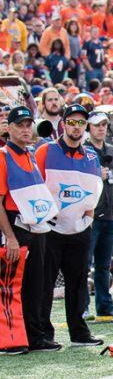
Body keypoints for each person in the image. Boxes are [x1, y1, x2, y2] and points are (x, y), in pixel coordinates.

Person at [34, 104, 103, 347]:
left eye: (81, 123)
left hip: (80, 229)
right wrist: (44, 217)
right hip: (51, 230)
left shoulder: (92, 155)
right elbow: (35, 185)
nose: (76, 127)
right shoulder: (45, 151)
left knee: (78, 283)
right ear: (63, 123)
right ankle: (43, 333)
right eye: (71, 122)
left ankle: (79, 333)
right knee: (45, 283)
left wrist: (88, 217)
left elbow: (95, 190)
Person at [0, 106, 58, 354]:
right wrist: (10, 237)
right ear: (9, 128)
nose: (25, 129)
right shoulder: (3, 157)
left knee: (36, 284)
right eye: (20, 125)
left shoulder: (31, 154)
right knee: (12, 286)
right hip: (16, 226)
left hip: (36, 226)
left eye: (28, 125)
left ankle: (35, 337)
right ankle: (11, 339)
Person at [84, 111, 113, 319]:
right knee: (84, 264)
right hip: (90, 215)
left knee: (103, 264)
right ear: (89, 128)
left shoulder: (111, 151)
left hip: (110, 214)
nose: (101, 128)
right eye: (97, 125)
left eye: (104, 124)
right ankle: (81, 307)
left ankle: (105, 305)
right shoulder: (83, 151)